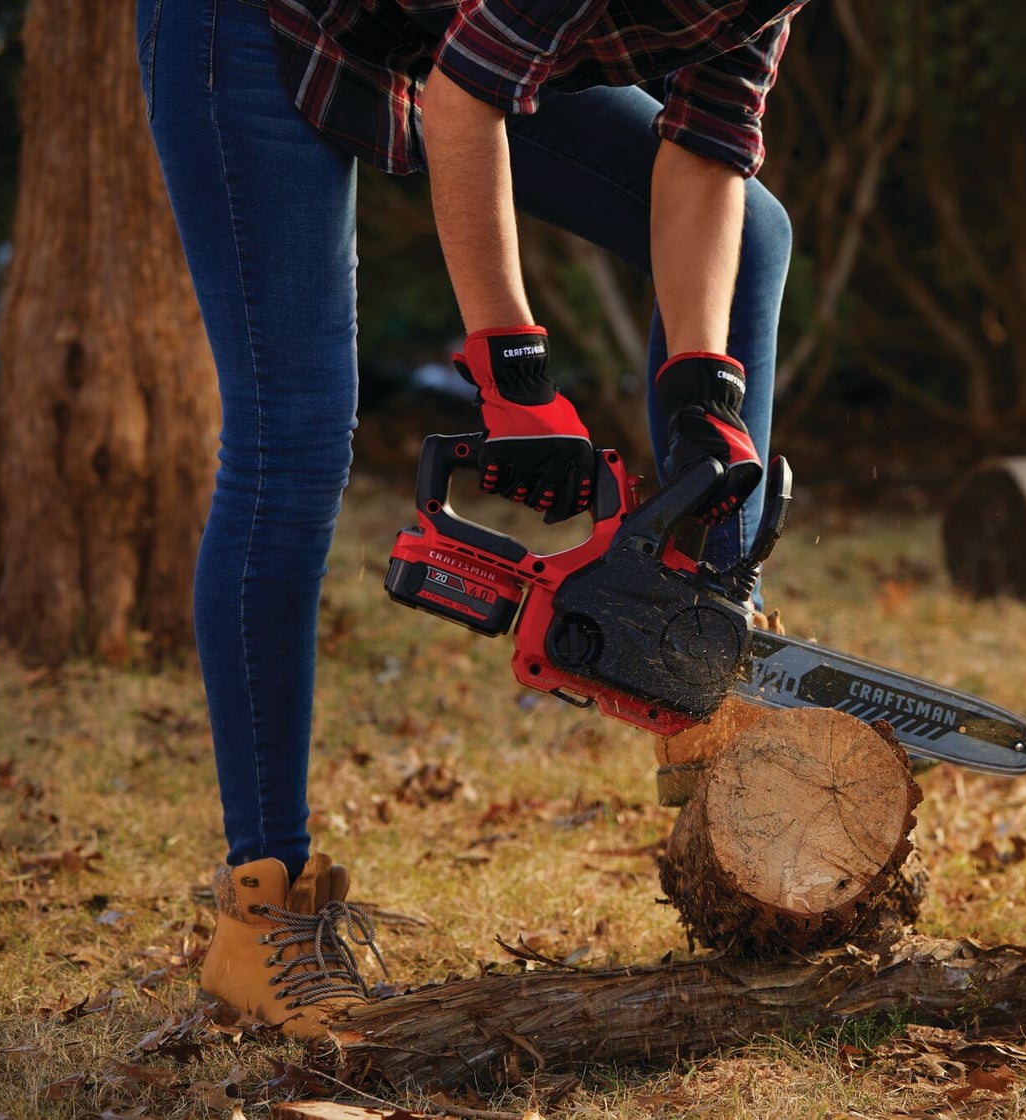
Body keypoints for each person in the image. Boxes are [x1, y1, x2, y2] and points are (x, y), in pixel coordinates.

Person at [136, 0, 805, 1039]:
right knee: (291, 441)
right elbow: (466, 95)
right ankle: (262, 910)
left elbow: (708, 150)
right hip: (259, 28)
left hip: (440, 40)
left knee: (754, 232)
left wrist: (703, 393)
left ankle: (696, 653)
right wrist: (514, 377)